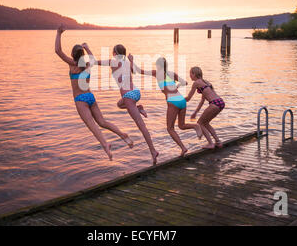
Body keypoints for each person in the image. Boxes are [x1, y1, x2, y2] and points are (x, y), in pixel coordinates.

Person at [54, 25, 133, 161]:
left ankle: (105, 144)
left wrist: (58, 33)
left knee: (92, 125)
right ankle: (122, 134)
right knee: (102, 121)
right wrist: (87, 47)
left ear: (73, 55)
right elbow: (92, 57)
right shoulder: (87, 65)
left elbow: (58, 50)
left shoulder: (72, 64)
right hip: (90, 97)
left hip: (80, 99)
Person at [83, 43, 159, 165]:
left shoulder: (114, 62)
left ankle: (153, 151)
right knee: (119, 104)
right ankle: (139, 108)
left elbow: (94, 61)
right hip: (135, 92)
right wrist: (132, 60)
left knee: (141, 126)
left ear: (115, 53)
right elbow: (134, 71)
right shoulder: (127, 62)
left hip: (128, 96)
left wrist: (87, 48)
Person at [129, 55, 202, 156]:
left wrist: (131, 60)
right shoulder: (172, 74)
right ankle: (195, 126)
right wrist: (176, 86)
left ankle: (183, 147)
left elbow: (138, 70)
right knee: (181, 125)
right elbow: (185, 82)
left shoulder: (157, 73)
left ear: (158, 65)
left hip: (173, 102)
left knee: (170, 128)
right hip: (181, 100)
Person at [185, 66, 225, 149]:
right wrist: (195, 112)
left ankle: (211, 144)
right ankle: (218, 142)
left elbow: (188, 98)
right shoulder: (206, 82)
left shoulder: (196, 83)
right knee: (205, 123)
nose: (190, 76)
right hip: (220, 102)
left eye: (190, 74)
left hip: (214, 103)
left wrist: (176, 99)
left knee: (200, 123)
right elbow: (202, 101)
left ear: (194, 74)